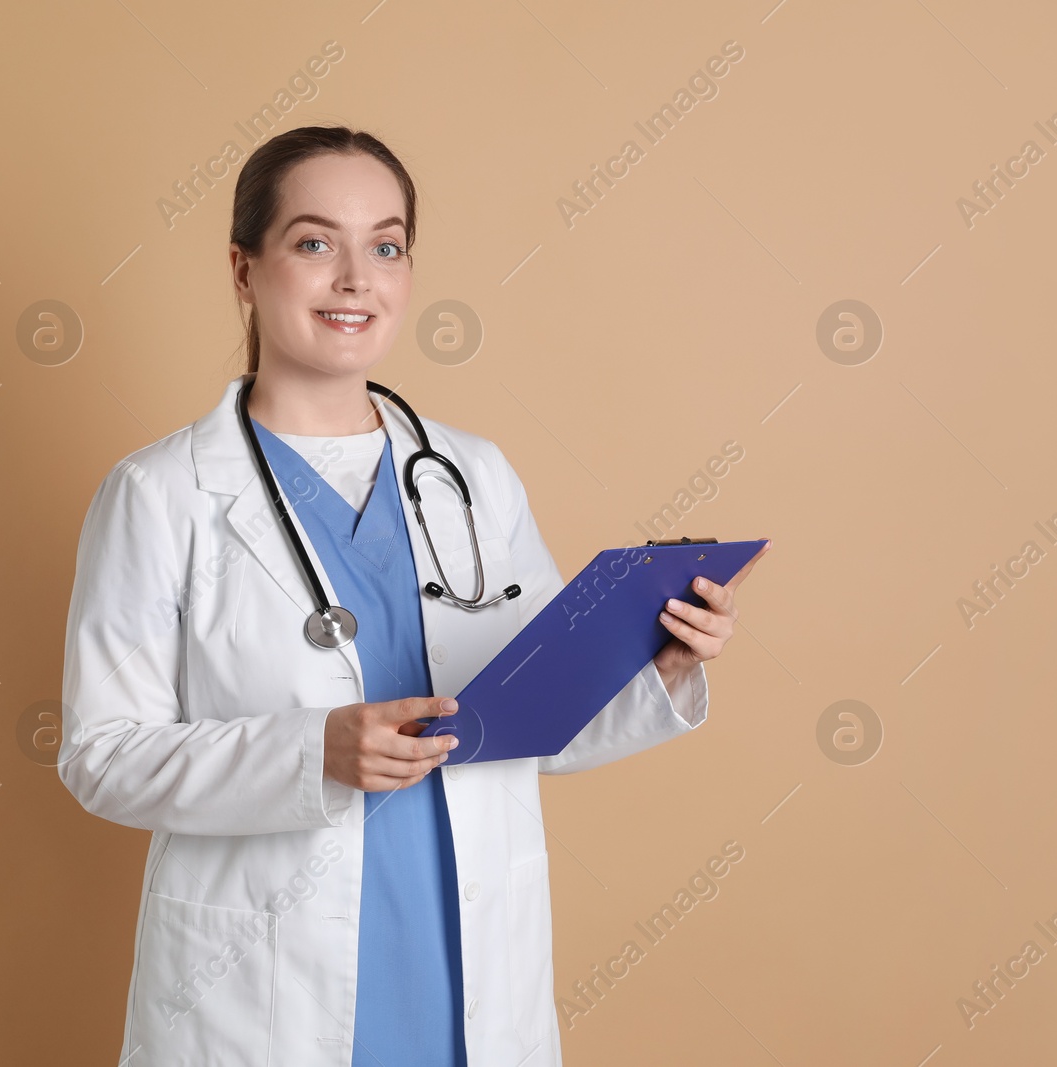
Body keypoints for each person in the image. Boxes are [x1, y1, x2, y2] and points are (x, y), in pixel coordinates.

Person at [57, 124, 769, 1067]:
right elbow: (103, 756)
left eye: (385, 246)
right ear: (243, 268)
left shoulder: (473, 475)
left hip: (468, 969)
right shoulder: (161, 493)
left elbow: (536, 719)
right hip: (260, 990)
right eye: (316, 243)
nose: (357, 278)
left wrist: (658, 665)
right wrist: (313, 748)